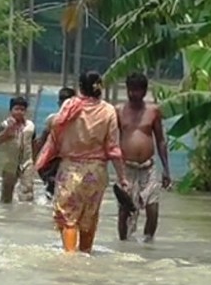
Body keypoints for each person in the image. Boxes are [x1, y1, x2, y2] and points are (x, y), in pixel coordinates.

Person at [36, 71, 129, 254]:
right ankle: (86, 255)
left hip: (70, 171)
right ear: (100, 88)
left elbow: (55, 127)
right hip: (96, 172)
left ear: (80, 87)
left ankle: (70, 260)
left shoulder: (70, 105)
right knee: (89, 218)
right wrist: (122, 177)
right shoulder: (108, 111)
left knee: (68, 219)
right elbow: (113, 149)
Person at [116, 72, 172, 241]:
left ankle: (148, 244)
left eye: (136, 90)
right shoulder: (119, 111)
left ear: (144, 91)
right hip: (127, 167)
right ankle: (123, 245)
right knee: (125, 210)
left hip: (148, 167)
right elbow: (110, 140)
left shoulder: (153, 111)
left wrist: (166, 170)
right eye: (130, 89)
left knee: (153, 210)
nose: (132, 94)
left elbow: (160, 140)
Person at [36, 87, 76, 199]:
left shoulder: (79, 120)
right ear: (59, 103)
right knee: (52, 194)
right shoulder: (52, 120)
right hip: (54, 163)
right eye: (64, 103)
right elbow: (41, 142)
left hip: (71, 162)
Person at [0, 97, 36, 203]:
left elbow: (33, 143)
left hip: (26, 162)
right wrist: (8, 130)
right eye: (16, 109)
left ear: (26, 111)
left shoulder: (30, 126)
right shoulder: (4, 124)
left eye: (22, 109)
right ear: (11, 110)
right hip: (10, 162)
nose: (19, 112)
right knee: (6, 195)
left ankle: (25, 211)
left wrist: (35, 161)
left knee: (28, 192)